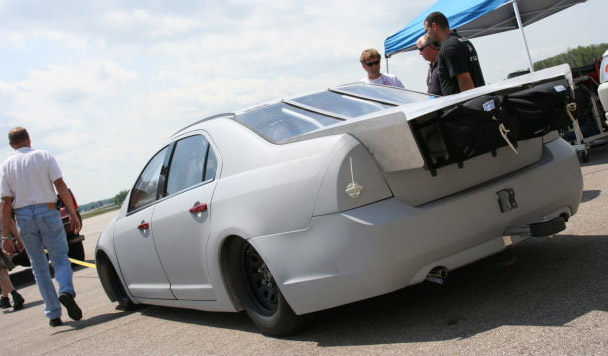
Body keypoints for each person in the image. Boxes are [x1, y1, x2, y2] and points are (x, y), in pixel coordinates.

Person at [1, 127, 82, 327]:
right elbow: (60, 185)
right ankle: (65, 290)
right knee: (60, 259)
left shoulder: (6, 165)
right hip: (48, 211)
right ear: (29, 140)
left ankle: (53, 314)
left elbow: (5, 202)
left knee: (39, 267)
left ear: (12, 145)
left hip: (23, 216)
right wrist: (72, 214)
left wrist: (5, 237)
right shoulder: (44, 155)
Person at [424, 11, 485, 95]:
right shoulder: (463, 41)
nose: (427, 35)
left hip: (465, 104)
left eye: (427, 30)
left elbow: (465, 80)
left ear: (434, 26)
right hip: (480, 98)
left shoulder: (449, 47)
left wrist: (470, 104)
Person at [0, 214, 25, 310]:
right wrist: (18, 239)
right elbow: (9, 221)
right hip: (4, 241)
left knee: (1, 271)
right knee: (3, 270)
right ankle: (5, 298)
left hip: (4, 241)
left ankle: (15, 294)